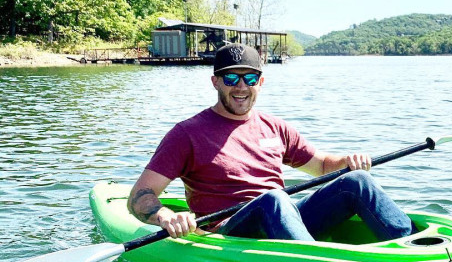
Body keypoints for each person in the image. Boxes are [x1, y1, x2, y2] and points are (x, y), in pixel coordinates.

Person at [127, 43, 414, 242]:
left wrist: (348, 162)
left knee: (358, 181)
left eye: (250, 78)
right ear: (215, 82)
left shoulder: (276, 127)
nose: (241, 87)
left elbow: (322, 166)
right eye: (231, 78)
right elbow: (140, 195)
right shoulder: (186, 134)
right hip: (232, 233)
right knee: (274, 199)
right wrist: (164, 215)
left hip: (284, 221)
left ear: (260, 83)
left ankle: (415, 252)